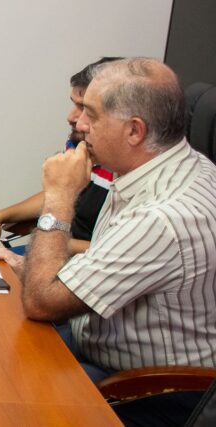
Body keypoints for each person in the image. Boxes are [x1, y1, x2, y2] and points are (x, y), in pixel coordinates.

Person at [21, 58, 216, 425]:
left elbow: (41, 302)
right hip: (99, 342)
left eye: (91, 115)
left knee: (3, 390)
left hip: (153, 391)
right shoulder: (164, 165)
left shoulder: (162, 217)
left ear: (134, 131)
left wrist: (59, 197)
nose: (78, 124)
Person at [0, 57, 120, 273]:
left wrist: (46, 239)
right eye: (74, 105)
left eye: (84, 108)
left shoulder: (124, 169)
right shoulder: (83, 145)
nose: (72, 117)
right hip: (57, 251)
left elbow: (115, 252)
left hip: (81, 268)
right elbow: (58, 194)